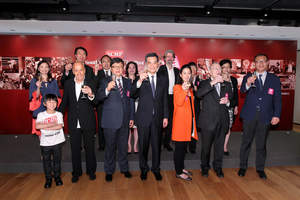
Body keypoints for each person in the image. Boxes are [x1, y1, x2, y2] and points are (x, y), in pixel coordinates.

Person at [238, 54, 281, 179]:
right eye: (257, 62)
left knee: (261, 144)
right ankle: (242, 167)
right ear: (254, 64)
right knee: (246, 142)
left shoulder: (274, 79)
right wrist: (247, 83)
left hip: (266, 116)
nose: (260, 64)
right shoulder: (248, 76)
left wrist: (276, 115)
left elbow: (277, 99)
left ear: (267, 63)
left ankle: (260, 168)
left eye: (262, 61)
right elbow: (242, 91)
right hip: (249, 115)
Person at [130, 52, 169, 181]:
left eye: (154, 62)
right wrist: (139, 80)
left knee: (157, 146)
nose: (152, 65)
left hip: (158, 118)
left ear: (158, 64)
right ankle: (144, 169)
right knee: (143, 146)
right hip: (143, 118)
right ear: (146, 64)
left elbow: (165, 99)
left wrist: (165, 116)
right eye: (149, 63)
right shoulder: (140, 77)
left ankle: (156, 169)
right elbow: (132, 94)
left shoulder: (163, 78)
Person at [97, 58, 134, 182]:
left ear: (123, 68)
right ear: (111, 68)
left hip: (125, 120)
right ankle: (109, 170)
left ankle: (124, 168)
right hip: (110, 121)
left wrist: (131, 117)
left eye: (120, 66)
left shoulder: (128, 82)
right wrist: (107, 89)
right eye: (115, 67)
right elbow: (98, 97)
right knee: (110, 147)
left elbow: (131, 100)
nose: (118, 69)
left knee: (123, 147)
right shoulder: (104, 81)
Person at [58, 62, 97, 183]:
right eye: (76, 70)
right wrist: (57, 116)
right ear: (73, 71)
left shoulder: (91, 82)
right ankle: (76, 172)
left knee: (90, 148)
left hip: (88, 121)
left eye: (81, 70)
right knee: (75, 149)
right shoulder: (68, 83)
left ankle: (91, 171)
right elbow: (64, 102)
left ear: (84, 70)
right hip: (73, 121)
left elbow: (96, 102)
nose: (79, 73)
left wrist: (91, 94)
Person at [196, 63, 232, 178]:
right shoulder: (204, 83)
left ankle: (218, 167)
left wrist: (227, 101)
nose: (217, 70)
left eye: (219, 68)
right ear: (210, 72)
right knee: (206, 148)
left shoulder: (226, 84)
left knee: (219, 147)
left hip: (222, 120)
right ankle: (205, 167)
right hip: (208, 122)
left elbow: (231, 98)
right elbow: (198, 94)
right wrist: (213, 82)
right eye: (214, 68)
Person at [172, 64, 198, 181]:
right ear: (181, 75)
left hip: (189, 122)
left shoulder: (190, 87)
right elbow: (178, 102)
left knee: (183, 148)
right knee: (179, 148)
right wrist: (184, 90)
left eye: (189, 73)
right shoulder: (177, 87)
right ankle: (178, 172)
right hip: (180, 123)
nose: (187, 75)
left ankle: (181, 168)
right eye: (185, 73)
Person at [36, 94, 65, 188]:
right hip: (45, 143)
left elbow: (59, 126)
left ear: (57, 103)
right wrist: (52, 124)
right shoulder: (41, 115)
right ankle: (48, 179)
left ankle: (57, 177)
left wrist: (45, 125)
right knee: (46, 162)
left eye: (54, 102)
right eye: (49, 102)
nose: (52, 104)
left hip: (57, 141)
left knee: (57, 161)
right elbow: (37, 126)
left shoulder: (59, 114)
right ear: (44, 103)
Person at [29, 60, 61, 135]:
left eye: (46, 67)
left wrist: (53, 106)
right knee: (41, 132)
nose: (44, 69)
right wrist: (38, 88)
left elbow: (57, 95)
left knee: (52, 131)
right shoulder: (34, 80)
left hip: (51, 107)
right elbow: (35, 97)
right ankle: (43, 145)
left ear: (49, 69)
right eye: (42, 67)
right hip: (40, 107)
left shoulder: (53, 81)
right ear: (38, 69)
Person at [158, 50, 180, 151]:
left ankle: (167, 143)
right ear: (164, 58)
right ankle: (158, 141)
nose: (170, 58)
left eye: (171, 57)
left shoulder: (176, 71)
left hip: (173, 98)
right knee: (160, 120)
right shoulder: (160, 69)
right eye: (168, 57)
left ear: (174, 59)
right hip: (163, 97)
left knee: (171, 122)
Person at [220, 59, 239, 156]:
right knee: (219, 128)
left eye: (228, 67)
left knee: (228, 128)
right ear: (221, 69)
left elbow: (236, 95)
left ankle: (224, 147)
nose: (226, 69)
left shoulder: (234, 80)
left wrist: (236, 106)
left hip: (230, 107)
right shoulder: (217, 79)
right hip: (219, 108)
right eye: (224, 67)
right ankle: (218, 146)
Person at [95, 55, 112, 151]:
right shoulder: (98, 73)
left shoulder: (114, 72)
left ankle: (111, 144)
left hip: (113, 103)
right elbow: (95, 86)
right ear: (101, 63)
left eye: (108, 61)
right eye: (104, 61)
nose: (106, 63)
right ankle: (102, 145)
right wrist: (96, 74)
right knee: (101, 125)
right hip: (101, 103)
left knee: (112, 124)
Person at [125, 61, 139, 154]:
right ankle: (129, 146)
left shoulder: (139, 79)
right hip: (127, 105)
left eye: (133, 67)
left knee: (136, 127)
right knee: (128, 127)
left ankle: (135, 146)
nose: (131, 69)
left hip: (138, 104)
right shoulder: (124, 80)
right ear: (126, 69)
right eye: (129, 67)